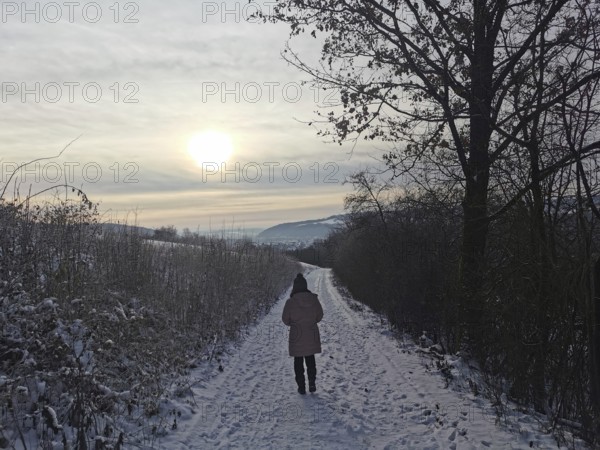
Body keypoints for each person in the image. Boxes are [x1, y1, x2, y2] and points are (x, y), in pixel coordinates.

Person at [282, 273, 324, 394]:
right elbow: (319, 316)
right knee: (310, 360)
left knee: (298, 362)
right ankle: (312, 382)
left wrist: (293, 323)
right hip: (311, 334)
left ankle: (301, 387)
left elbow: (285, 319)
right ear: (305, 286)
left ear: (294, 287)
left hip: (297, 336)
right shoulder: (314, 299)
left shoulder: (290, 302)